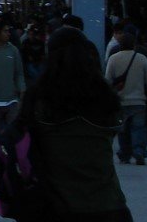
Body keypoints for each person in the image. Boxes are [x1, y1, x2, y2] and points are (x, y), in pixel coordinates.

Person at [18, 26, 132, 221]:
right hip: (106, 203)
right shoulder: (104, 96)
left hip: (56, 205)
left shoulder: (39, 98)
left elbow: (20, 139)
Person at [104, 32, 147, 165]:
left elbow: (108, 80)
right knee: (138, 127)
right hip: (138, 100)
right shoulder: (141, 58)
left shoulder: (113, 58)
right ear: (134, 45)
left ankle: (124, 153)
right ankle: (138, 150)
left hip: (121, 100)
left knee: (123, 128)